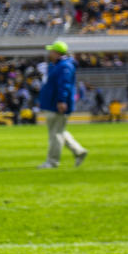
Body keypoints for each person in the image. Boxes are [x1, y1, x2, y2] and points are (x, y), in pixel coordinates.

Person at [37, 40, 87, 168]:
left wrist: (62, 101)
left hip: (56, 104)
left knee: (55, 134)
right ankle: (79, 151)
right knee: (58, 131)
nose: (49, 53)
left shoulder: (64, 66)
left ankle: (52, 162)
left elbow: (64, 86)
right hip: (52, 103)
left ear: (57, 53)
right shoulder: (57, 65)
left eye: (52, 51)